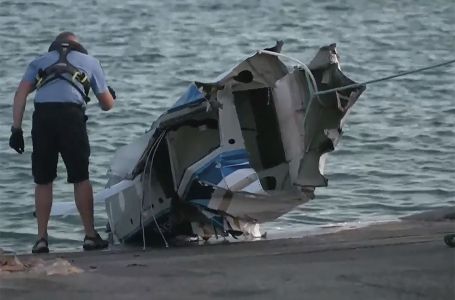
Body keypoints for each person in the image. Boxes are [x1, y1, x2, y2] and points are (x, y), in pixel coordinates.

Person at [9, 31, 116, 253]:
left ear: (54, 45)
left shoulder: (39, 61)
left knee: (43, 180)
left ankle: (41, 239)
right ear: (79, 46)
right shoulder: (90, 62)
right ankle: (89, 236)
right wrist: (111, 95)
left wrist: (16, 129)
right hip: (71, 117)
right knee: (80, 177)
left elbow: (20, 94)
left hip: (43, 118)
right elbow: (107, 105)